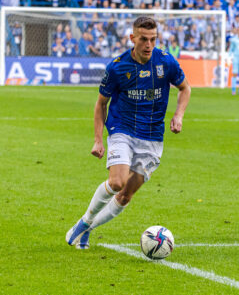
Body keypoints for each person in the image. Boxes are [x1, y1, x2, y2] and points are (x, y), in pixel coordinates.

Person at [66, 16, 191, 249]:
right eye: (143, 39)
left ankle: (88, 228)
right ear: (132, 38)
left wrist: (178, 115)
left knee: (125, 196)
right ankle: (84, 221)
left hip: (152, 136)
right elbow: (101, 103)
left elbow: (185, 88)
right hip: (122, 128)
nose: (148, 45)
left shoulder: (166, 62)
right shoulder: (117, 67)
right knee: (117, 182)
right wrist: (98, 140)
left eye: (153, 39)